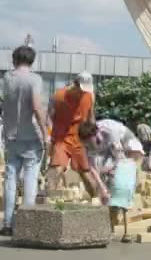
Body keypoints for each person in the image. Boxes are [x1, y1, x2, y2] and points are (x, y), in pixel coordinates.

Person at [1, 46, 49, 236]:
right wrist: (45, 133)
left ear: (14, 59)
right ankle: (26, 224)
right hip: (31, 136)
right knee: (30, 178)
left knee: (11, 179)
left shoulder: (7, 78)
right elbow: (37, 107)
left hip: (11, 136)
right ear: (32, 61)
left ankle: (7, 223)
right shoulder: (34, 79)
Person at [78, 119, 144, 242]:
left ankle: (126, 231)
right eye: (85, 144)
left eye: (89, 143)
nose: (88, 146)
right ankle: (110, 228)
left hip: (129, 149)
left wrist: (114, 170)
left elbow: (119, 157)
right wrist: (102, 188)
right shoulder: (88, 142)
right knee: (107, 188)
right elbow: (92, 167)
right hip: (109, 153)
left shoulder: (110, 131)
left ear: (95, 134)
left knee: (121, 186)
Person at [46, 71, 98, 198]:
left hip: (78, 139)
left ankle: (96, 202)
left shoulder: (90, 96)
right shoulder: (58, 96)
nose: (83, 92)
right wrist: (50, 137)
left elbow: (91, 119)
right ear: (75, 83)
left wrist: (92, 138)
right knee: (56, 169)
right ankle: (47, 203)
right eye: (81, 89)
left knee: (85, 172)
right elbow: (48, 118)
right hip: (60, 139)